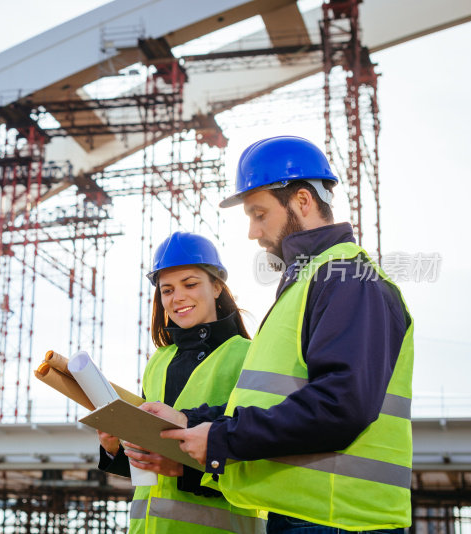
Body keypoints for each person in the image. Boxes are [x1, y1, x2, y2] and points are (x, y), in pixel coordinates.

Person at [143, 136, 413, 533]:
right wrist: (188, 420)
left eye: (259, 214)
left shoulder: (348, 278)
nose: (254, 232)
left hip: (339, 520)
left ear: (302, 201)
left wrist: (222, 440)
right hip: (309, 515)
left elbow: (342, 404)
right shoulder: (310, 283)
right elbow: (278, 402)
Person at [97, 231, 265, 534]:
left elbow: (261, 453)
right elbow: (149, 467)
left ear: (216, 287)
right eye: (167, 290)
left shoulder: (249, 356)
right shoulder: (158, 361)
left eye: (190, 284)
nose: (178, 298)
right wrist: (115, 448)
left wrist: (184, 471)